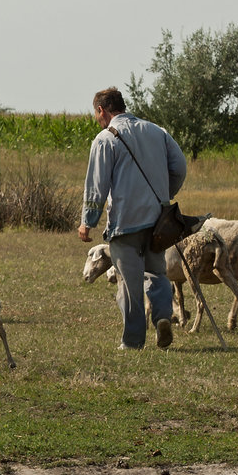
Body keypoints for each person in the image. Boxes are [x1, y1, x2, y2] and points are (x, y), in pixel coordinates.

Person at [78, 87, 187, 350]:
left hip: (125, 222)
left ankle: (133, 341)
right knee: (157, 272)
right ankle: (162, 316)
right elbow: (180, 167)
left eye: (96, 114)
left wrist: (87, 221)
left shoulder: (105, 139)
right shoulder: (157, 131)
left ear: (102, 110)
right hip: (157, 221)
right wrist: (163, 194)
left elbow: (97, 185)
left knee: (129, 283)